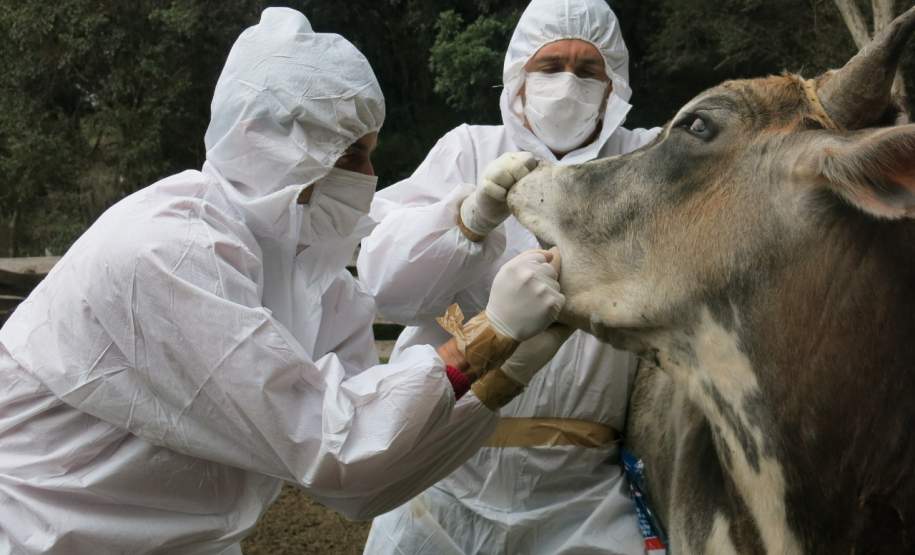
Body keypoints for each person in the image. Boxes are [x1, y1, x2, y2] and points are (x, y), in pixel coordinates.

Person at [0, 8, 566, 555]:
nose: (368, 178)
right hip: (41, 538)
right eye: (349, 153)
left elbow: (364, 483)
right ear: (260, 136)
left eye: (369, 154)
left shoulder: (315, 281)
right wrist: (487, 335)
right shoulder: (170, 250)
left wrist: (508, 370)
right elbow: (332, 447)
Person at [358, 0, 663, 553]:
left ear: (612, 81)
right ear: (518, 77)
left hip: (580, 494)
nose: (568, 83)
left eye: (587, 69)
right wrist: (469, 220)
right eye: (550, 67)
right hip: (441, 478)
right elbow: (386, 287)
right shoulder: (468, 150)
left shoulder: (645, 161)